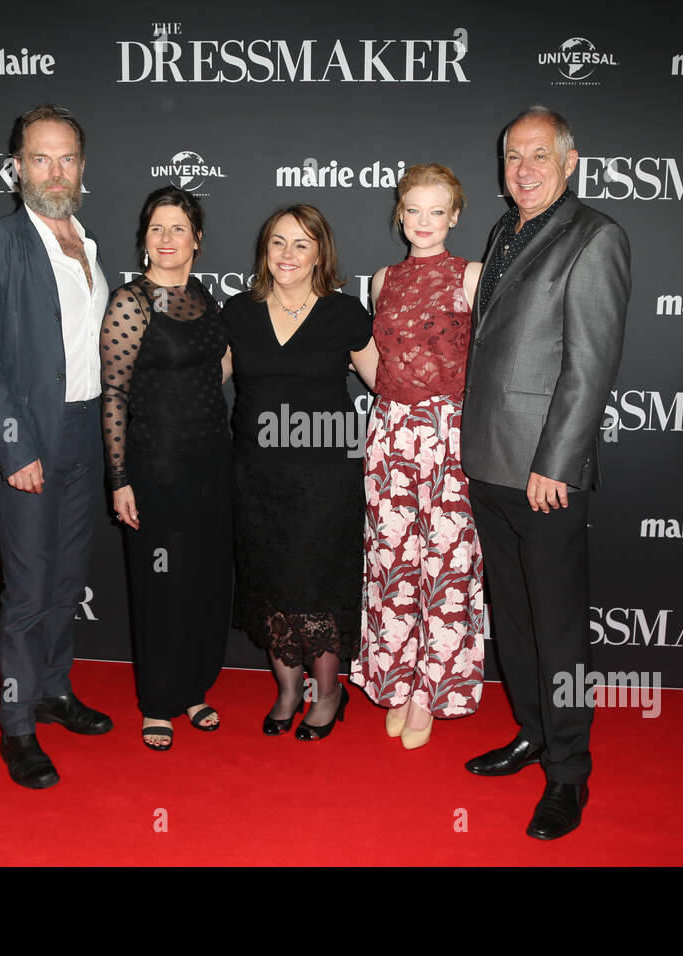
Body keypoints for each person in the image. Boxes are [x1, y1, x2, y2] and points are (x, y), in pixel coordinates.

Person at [461, 106, 630, 839]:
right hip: (490, 462)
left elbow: (589, 367)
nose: (522, 168)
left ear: (570, 161)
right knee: (517, 618)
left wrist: (555, 463)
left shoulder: (595, 237)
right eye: (510, 156)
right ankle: (532, 730)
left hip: (545, 474)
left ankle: (568, 774)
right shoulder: (505, 232)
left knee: (558, 629)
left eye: (537, 155)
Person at [0, 104, 114, 790]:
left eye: (68, 158)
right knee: (26, 593)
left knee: (65, 582)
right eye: (41, 158)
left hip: (85, 431)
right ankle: (17, 725)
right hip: (31, 439)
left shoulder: (90, 242)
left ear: (83, 167)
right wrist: (15, 448)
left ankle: (53, 690)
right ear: (17, 166)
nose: (56, 171)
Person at [221, 204, 374, 741]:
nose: (288, 254)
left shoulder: (345, 313)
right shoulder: (237, 312)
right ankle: (287, 690)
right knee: (271, 583)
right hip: (256, 474)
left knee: (316, 584)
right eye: (278, 242)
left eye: (301, 244)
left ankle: (328, 693)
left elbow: (388, 383)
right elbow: (202, 380)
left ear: (320, 254)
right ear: (265, 249)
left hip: (325, 475)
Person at [350, 164, 485, 750]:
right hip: (390, 434)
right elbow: (377, 364)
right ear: (398, 213)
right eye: (414, 210)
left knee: (448, 564)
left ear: (455, 215)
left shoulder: (473, 275)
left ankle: (433, 690)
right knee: (392, 561)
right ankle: (399, 680)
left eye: (437, 211)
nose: (424, 222)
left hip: (452, 434)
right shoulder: (381, 280)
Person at [100, 186, 231, 751]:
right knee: (161, 585)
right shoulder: (130, 302)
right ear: (144, 240)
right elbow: (113, 393)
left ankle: (194, 688)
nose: (167, 239)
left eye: (179, 228)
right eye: (157, 228)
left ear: (197, 239)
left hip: (212, 463)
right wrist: (121, 477)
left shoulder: (207, 300)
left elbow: (218, 370)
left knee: (203, 582)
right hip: (156, 467)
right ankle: (158, 700)